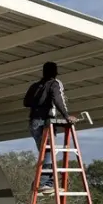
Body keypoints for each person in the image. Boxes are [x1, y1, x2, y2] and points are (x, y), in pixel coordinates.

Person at [23, 61, 71, 193]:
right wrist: (66, 116)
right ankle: (44, 182)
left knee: (45, 153)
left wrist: (38, 102)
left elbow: (26, 102)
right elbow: (57, 99)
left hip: (33, 122)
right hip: (46, 122)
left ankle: (45, 182)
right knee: (49, 152)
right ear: (55, 72)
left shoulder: (35, 86)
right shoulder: (55, 83)